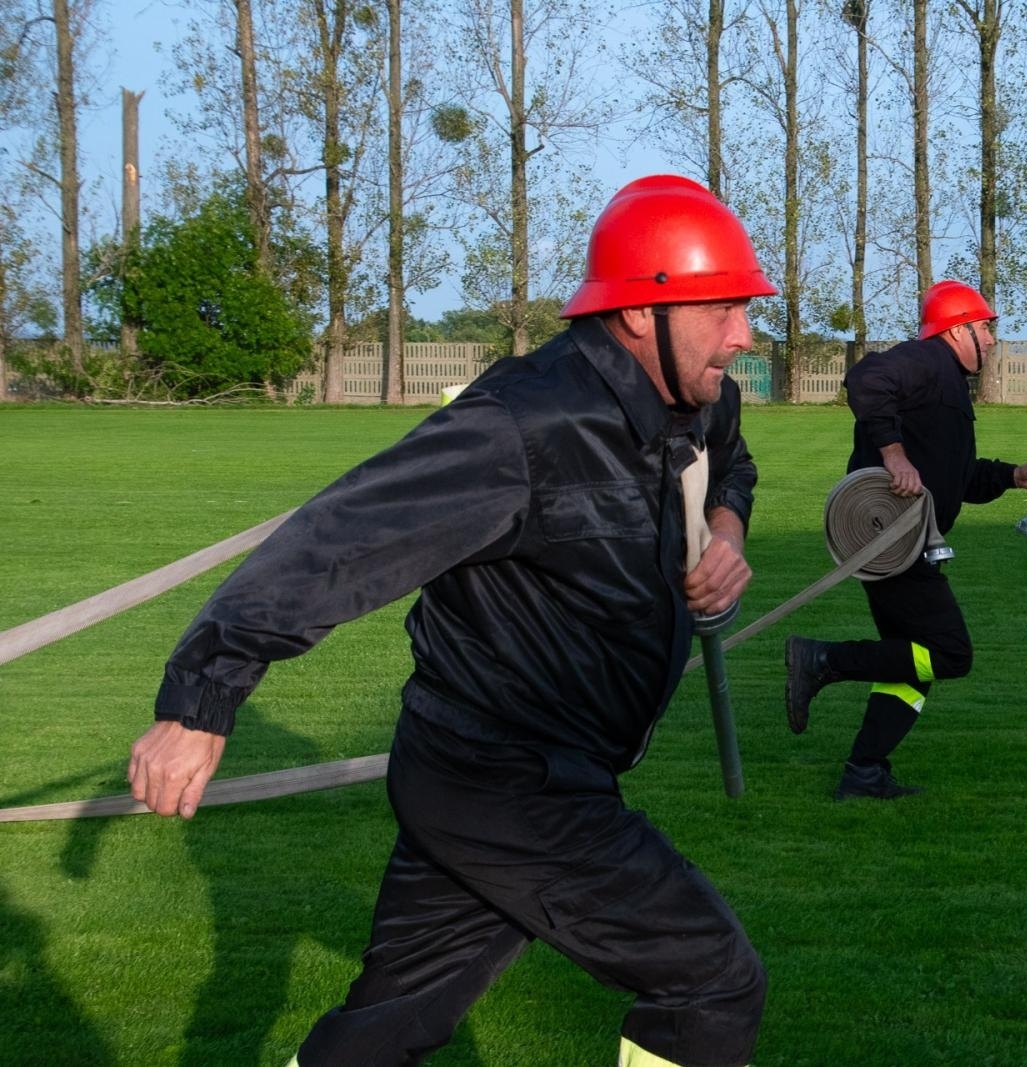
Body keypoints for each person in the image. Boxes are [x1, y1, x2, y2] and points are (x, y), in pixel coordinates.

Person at [126, 174, 775, 1067]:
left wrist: (726, 532)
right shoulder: (523, 421)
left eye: (745, 307)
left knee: (388, 1027)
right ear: (639, 311)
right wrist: (199, 701)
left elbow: (731, 462)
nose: (744, 334)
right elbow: (337, 542)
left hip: (498, 773)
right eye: (722, 308)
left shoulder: (695, 397)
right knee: (710, 978)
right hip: (505, 779)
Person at [783, 279, 1027, 801]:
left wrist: (1013, 476)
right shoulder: (927, 361)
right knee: (950, 654)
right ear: (957, 330)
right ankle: (822, 660)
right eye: (985, 328)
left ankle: (864, 773)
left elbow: (954, 477)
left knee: (912, 662)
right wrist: (893, 454)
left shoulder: (946, 381)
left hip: (905, 538)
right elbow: (865, 380)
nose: (992, 340)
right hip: (892, 538)